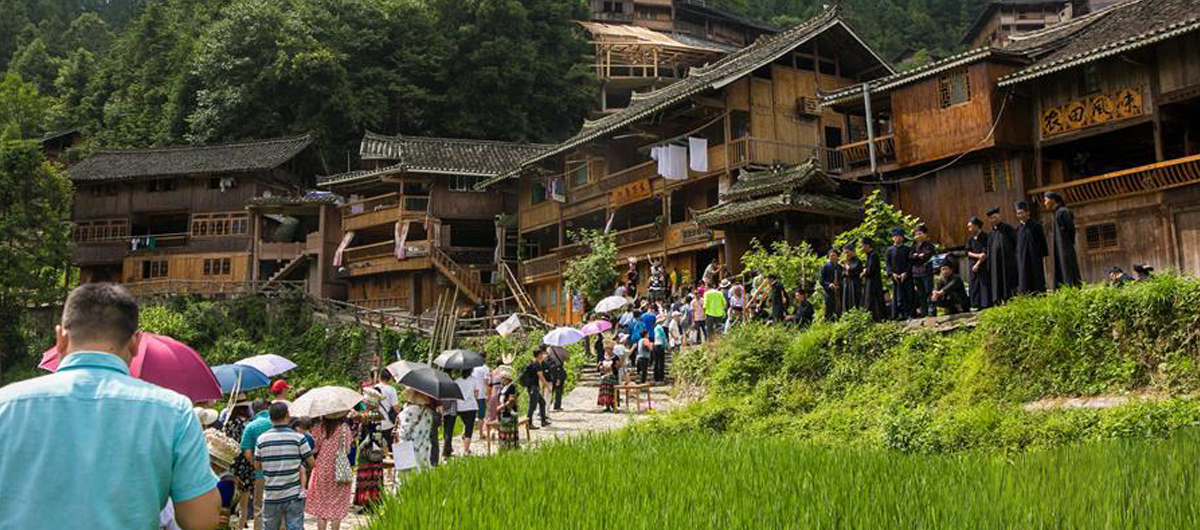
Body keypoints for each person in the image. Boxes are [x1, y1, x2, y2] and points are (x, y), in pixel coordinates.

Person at [0, 283, 220, 530]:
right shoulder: (175, 412)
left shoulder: (6, 405)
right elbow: (201, 521)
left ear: (60, 338)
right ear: (135, 342)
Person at [254, 402, 314, 530]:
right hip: (293, 494)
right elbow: (312, 463)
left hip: (271, 494)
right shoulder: (299, 438)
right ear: (288, 415)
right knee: (294, 526)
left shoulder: (261, 439)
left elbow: (257, 465)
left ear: (270, 418)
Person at [305, 413, 353, 530]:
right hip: (339, 468)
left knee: (322, 505)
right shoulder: (344, 428)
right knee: (338, 504)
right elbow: (347, 449)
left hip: (322, 467)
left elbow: (315, 448)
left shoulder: (320, 427)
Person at [239, 399, 274, 530]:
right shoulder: (277, 423)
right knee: (279, 505)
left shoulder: (251, 426)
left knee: (258, 507)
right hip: (281, 472)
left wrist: (257, 466)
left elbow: (247, 453)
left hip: (260, 473)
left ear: (253, 410)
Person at [1044, 191, 1082, 289]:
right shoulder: (1056, 213)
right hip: (1060, 247)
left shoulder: (1063, 211)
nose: (1045, 203)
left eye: (1046, 200)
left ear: (1052, 200)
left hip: (1065, 246)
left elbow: (1071, 230)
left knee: (1067, 267)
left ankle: (1072, 288)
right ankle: (1063, 289)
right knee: (1061, 267)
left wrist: (1068, 243)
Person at [395, 388, 435, 475]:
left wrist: (397, 430)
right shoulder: (428, 412)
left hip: (409, 449)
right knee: (421, 472)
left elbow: (403, 433)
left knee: (407, 476)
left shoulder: (410, 411)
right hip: (424, 447)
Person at [985, 206, 1020, 305]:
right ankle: (998, 300)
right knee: (997, 281)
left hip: (1007, 262)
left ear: (999, 216)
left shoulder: (1008, 229)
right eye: (991, 218)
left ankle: (1009, 299)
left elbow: (1016, 243)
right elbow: (989, 249)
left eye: (995, 217)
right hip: (995, 264)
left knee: (1007, 280)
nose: (993, 220)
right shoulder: (991, 233)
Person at [1014, 201, 1049, 295]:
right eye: (1018, 213)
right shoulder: (1018, 229)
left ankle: (1039, 295)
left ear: (1027, 212)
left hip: (1035, 257)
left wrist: (1043, 254)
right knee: (1024, 278)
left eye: (1021, 212)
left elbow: (1042, 241)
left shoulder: (1036, 225)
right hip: (1022, 259)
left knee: (1037, 277)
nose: (1020, 215)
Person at [886, 228, 915, 320]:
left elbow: (910, 262)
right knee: (896, 295)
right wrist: (891, 273)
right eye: (895, 237)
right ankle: (896, 315)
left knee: (908, 294)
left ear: (902, 238)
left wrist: (906, 272)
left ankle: (909, 314)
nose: (897, 238)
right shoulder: (889, 250)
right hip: (895, 277)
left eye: (899, 237)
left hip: (906, 276)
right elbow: (888, 263)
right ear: (892, 238)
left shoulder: (907, 249)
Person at [910, 225, 937, 317]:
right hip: (916, 273)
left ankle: (931, 312)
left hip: (926, 272)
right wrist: (918, 256)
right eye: (916, 234)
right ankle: (924, 312)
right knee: (920, 293)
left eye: (920, 233)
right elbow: (910, 257)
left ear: (925, 235)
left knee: (928, 292)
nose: (917, 235)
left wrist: (917, 256)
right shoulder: (914, 245)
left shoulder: (929, 245)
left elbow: (927, 256)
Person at [520, 347, 550, 428]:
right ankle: (529, 424)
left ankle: (543, 421)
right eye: (541, 354)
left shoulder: (533, 363)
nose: (543, 355)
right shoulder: (537, 364)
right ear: (539, 355)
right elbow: (541, 377)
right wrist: (547, 386)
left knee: (542, 402)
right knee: (532, 406)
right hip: (534, 388)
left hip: (532, 387)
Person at [965, 217, 991, 310]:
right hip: (972, 264)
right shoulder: (970, 239)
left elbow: (985, 254)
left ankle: (986, 304)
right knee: (974, 284)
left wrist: (978, 263)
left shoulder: (985, 237)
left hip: (983, 265)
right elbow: (967, 252)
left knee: (984, 284)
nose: (969, 229)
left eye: (970, 227)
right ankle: (976, 304)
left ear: (976, 226)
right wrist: (977, 256)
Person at [451, 369, 478, 455]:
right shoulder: (474, 379)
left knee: (465, 425)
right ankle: (466, 450)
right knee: (469, 428)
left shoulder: (457, 381)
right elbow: (476, 394)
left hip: (460, 407)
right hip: (471, 406)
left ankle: (463, 438)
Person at [860, 238, 886, 321]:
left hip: (874, 282)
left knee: (874, 299)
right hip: (870, 281)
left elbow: (871, 270)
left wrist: (864, 271)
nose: (861, 248)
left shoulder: (873, 255)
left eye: (862, 246)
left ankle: (878, 317)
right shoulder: (869, 255)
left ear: (867, 246)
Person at [496, 369, 521, 451]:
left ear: (507, 379)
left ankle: (510, 446)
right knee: (503, 428)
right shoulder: (504, 387)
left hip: (509, 412)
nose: (501, 380)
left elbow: (511, 400)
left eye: (502, 378)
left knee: (509, 429)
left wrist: (502, 406)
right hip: (503, 411)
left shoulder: (512, 387)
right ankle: (504, 446)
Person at [371, 372, 399, 445]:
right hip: (388, 423)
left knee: (377, 446)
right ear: (389, 379)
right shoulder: (391, 390)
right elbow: (396, 407)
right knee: (390, 446)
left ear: (379, 377)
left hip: (375, 422)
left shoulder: (373, 389)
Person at [820, 248, 842, 321]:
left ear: (837, 257)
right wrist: (829, 284)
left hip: (839, 291)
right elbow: (821, 280)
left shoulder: (839, 267)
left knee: (839, 307)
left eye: (834, 255)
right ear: (828, 256)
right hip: (829, 291)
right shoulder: (825, 267)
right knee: (829, 308)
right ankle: (828, 323)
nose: (832, 257)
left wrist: (840, 285)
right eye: (831, 255)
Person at [841, 244, 864, 313]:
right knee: (846, 300)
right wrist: (846, 271)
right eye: (845, 253)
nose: (846, 254)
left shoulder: (858, 261)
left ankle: (855, 314)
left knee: (854, 299)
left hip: (855, 283)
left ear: (853, 251)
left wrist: (848, 269)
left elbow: (853, 271)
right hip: (847, 283)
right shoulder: (847, 261)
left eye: (847, 252)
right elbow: (843, 273)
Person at [470, 362, 491, 438]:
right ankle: (481, 434)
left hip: (472, 394)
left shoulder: (473, 367)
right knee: (481, 416)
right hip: (481, 395)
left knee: (470, 414)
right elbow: (486, 382)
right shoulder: (485, 368)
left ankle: (465, 432)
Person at [597, 345, 620, 413]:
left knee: (613, 391)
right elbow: (598, 365)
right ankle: (606, 405)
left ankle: (613, 405)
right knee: (604, 391)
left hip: (612, 377)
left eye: (610, 349)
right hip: (604, 377)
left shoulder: (615, 357)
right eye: (607, 349)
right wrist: (600, 367)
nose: (608, 351)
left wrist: (616, 365)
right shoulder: (602, 357)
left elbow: (619, 366)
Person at [547, 347, 568, 411]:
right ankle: (557, 405)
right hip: (559, 370)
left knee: (550, 389)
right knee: (559, 388)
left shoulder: (549, 349)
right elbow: (567, 358)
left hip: (551, 370)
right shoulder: (562, 350)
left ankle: (547, 405)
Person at [652, 315, 668, 383]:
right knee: (661, 362)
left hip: (655, 345)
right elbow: (663, 337)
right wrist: (665, 345)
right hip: (660, 345)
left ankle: (656, 377)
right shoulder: (660, 327)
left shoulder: (655, 328)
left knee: (656, 362)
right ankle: (661, 377)